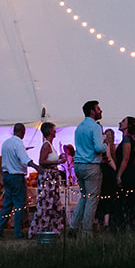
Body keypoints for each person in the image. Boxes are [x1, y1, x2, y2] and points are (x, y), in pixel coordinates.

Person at [70, 99, 107, 235]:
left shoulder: (79, 127)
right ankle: (86, 231)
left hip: (79, 165)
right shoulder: (95, 127)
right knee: (92, 199)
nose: (101, 111)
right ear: (92, 111)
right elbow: (98, 147)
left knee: (84, 196)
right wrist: (106, 145)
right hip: (91, 165)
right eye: (98, 109)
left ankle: (73, 226)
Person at [30, 121, 68, 237]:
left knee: (53, 204)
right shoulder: (46, 145)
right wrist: (58, 161)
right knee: (45, 204)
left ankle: (52, 228)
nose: (55, 131)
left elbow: (49, 159)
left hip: (52, 178)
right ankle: (38, 229)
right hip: (48, 179)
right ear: (50, 131)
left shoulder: (50, 145)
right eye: (54, 129)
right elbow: (42, 161)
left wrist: (59, 158)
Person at [0, 122, 31, 239]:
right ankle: (18, 232)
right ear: (22, 132)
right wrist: (36, 166)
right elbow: (25, 160)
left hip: (7, 176)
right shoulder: (18, 143)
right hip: (16, 176)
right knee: (19, 205)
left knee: (7, 204)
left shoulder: (6, 143)